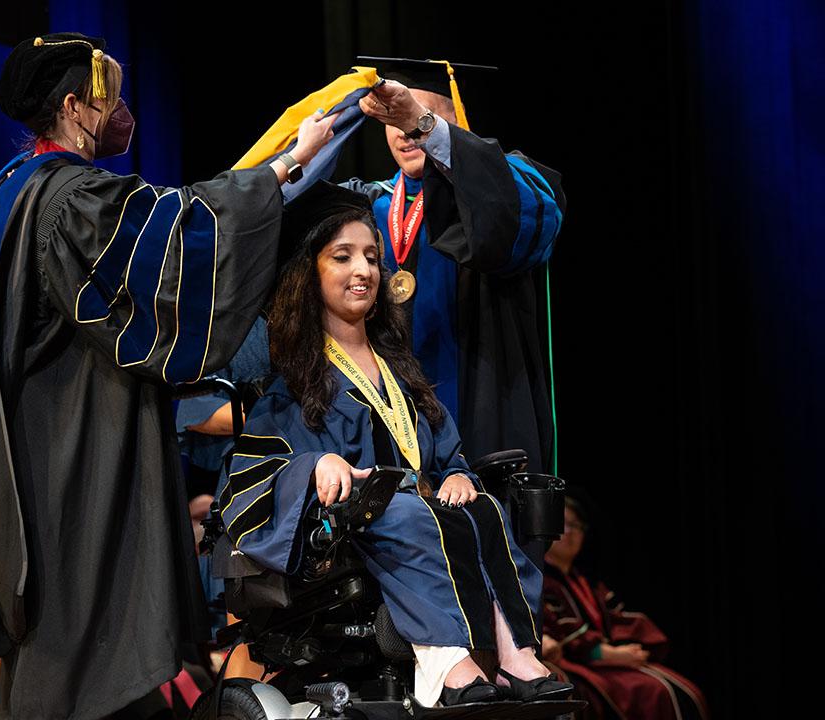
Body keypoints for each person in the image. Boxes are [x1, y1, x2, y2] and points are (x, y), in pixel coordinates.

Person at [0, 32, 337, 719]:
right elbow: (178, 237)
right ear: (75, 106)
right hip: (75, 454)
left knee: (74, 645)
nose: (126, 110)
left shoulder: (14, 188)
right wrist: (288, 166)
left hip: (43, 442)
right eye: (112, 97)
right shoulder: (73, 198)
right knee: (84, 640)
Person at [218, 181, 572, 707]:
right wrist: (313, 466)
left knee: (486, 508)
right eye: (342, 257)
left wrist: (458, 476)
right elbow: (251, 472)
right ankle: (445, 663)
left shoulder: (399, 371)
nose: (363, 270)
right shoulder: (292, 384)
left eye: (370, 257)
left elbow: (445, 449)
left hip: (420, 510)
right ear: (310, 275)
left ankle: (515, 652)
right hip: (348, 533)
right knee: (405, 515)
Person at [346, 57, 566, 476]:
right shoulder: (367, 205)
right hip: (388, 432)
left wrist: (424, 125)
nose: (405, 132)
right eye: (394, 118)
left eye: (416, 115)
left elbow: (516, 223)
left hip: (482, 411)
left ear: (452, 119)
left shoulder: (512, 182)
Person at [542, 499, 709, 720]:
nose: (571, 533)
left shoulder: (587, 582)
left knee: (685, 691)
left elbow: (619, 620)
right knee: (654, 692)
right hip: (573, 663)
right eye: (564, 524)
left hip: (604, 663)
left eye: (577, 526)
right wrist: (604, 653)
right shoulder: (540, 580)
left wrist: (630, 648)